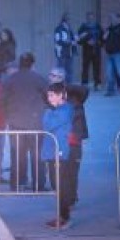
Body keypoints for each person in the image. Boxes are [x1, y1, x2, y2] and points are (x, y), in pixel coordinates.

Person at [1, 52, 49, 191]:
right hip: (35, 124)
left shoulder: (10, 79)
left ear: (19, 64)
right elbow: (48, 97)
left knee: (16, 155)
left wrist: (9, 116)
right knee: (37, 156)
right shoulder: (39, 79)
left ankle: (15, 184)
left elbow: (2, 100)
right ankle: (38, 184)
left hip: (16, 124)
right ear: (33, 64)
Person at [46, 67, 89, 206]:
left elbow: (85, 90)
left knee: (71, 170)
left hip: (72, 140)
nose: (56, 78)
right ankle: (62, 196)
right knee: (54, 172)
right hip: (54, 140)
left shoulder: (74, 95)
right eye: (53, 76)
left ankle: (69, 198)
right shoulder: (48, 95)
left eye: (59, 76)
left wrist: (63, 87)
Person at [41, 82, 75, 229]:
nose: (49, 98)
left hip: (60, 153)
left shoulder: (64, 110)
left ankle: (65, 217)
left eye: (52, 95)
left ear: (61, 95)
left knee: (60, 185)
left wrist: (48, 113)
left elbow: (47, 124)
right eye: (48, 95)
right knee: (56, 185)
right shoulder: (57, 110)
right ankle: (61, 215)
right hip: (52, 152)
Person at [102, 13, 120, 96]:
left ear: (117, 19)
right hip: (109, 54)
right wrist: (104, 37)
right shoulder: (109, 29)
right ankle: (111, 91)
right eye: (111, 18)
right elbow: (103, 39)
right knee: (109, 73)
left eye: (113, 18)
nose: (112, 20)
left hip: (118, 54)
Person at [77, 11, 103, 90]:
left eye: (91, 17)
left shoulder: (98, 26)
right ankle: (84, 84)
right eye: (89, 17)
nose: (90, 18)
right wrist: (86, 41)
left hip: (96, 50)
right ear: (87, 18)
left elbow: (102, 37)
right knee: (85, 67)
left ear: (93, 17)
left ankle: (97, 84)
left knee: (97, 67)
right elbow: (79, 39)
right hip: (87, 50)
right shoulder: (83, 27)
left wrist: (98, 42)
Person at [54, 12, 77, 84]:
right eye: (68, 19)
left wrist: (76, 39)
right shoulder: (58, 29)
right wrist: (70, 42)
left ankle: (69, 87)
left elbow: (73, 39)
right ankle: (59, 86)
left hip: (69, 52)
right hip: (61, 53)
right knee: (60, 71)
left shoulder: (69, 29)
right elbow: (58, 41)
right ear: (65, 20)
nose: (70, 21)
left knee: (69, 71)